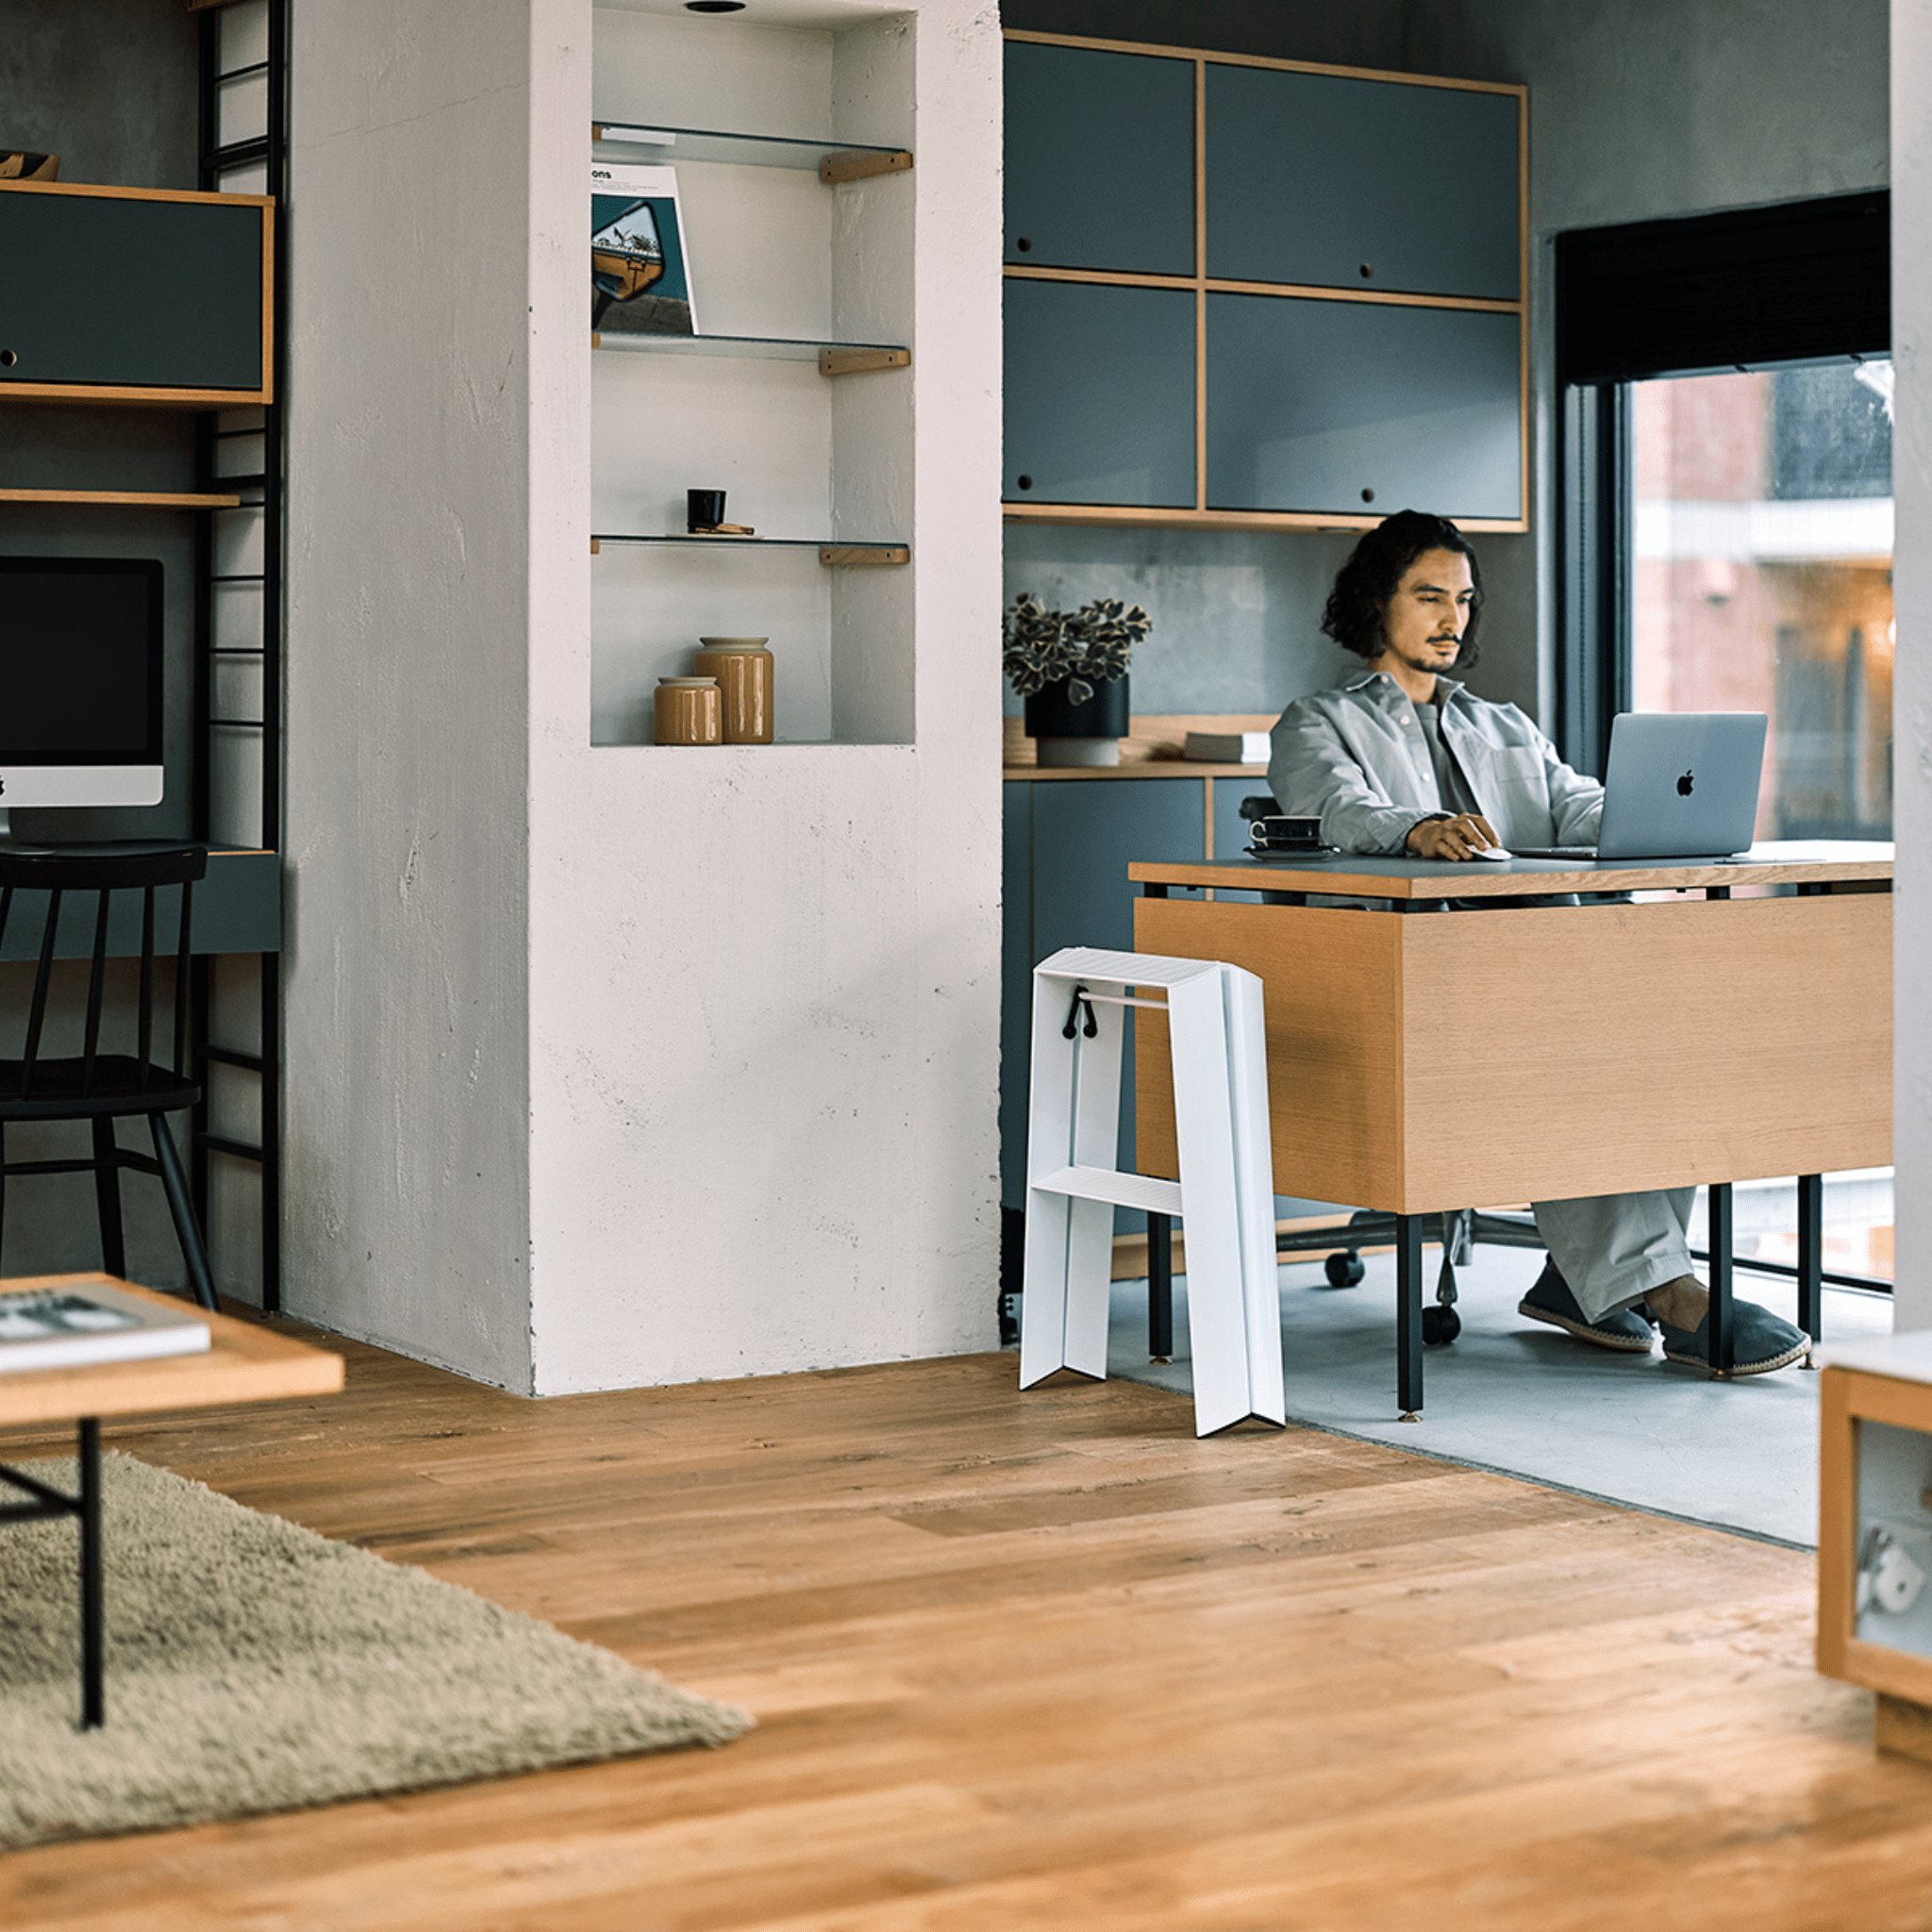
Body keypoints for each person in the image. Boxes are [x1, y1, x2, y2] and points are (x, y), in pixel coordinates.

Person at [1267, 508, 1809, 1376]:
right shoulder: (1317, 722)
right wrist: (1417, 828)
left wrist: (1644, 817)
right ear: (1378, 602)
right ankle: (1669, 1291)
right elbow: (1336, 808)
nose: (1453, 619)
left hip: (1541, 966)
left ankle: (1583, 1277)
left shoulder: (1503, 724)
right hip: (1421, 986)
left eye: (1465, 600)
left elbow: (1572, 801)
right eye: (1430, 597)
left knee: (1666, 1035)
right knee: (1573, 1044)